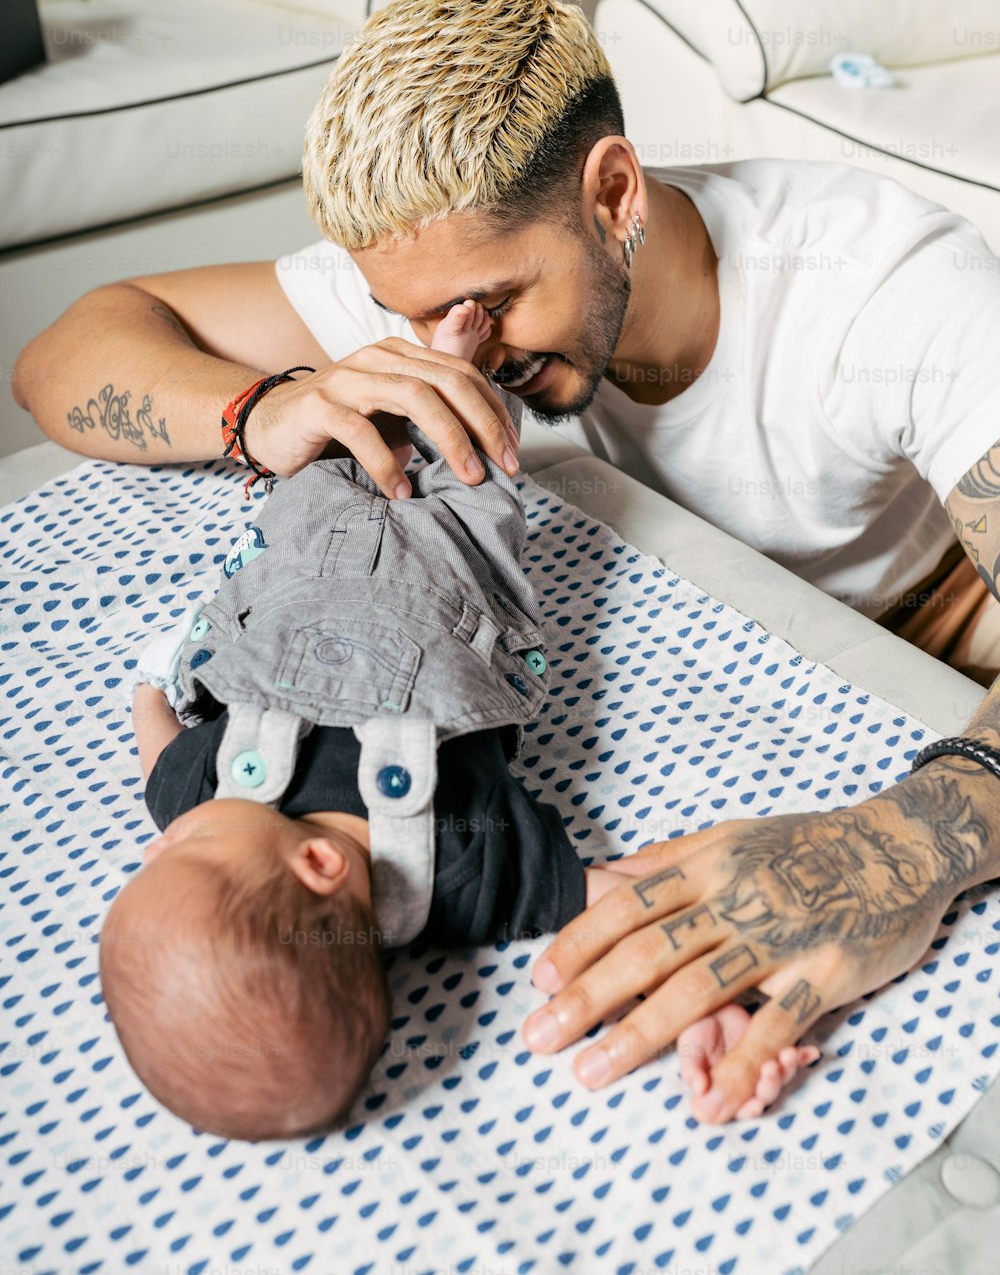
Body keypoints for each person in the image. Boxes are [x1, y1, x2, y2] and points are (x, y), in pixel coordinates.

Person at [17, 0, 1000, 1126]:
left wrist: (904, 844)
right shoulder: (440, 287)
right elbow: (64, 354)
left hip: (939, 622)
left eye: (492, 301)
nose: (457, 349)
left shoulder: (888, 295)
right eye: (411, 313)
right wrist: (262, 407)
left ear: (614, 192)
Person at [102, 298, 819, 1140]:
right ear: (324, 866)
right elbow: (617, 908)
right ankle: (462, 372)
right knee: (474, 481)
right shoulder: (457, 875)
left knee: (324, 471)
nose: (161, 839)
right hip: (451, 589)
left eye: (148, 860)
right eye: (177, 855)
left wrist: (150, 691)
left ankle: (408, 375)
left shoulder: (197, 802)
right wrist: (711, 1000)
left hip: (298, 571)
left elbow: (160, 761)